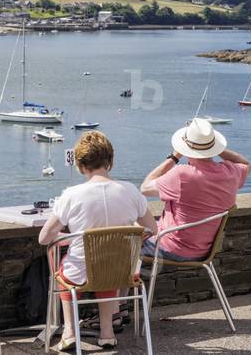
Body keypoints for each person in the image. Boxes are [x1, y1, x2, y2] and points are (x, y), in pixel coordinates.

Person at [38, 131, 156, 351]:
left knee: (64, 268)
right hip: (122, 271)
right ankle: (107, 333)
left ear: (81, 165)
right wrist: (127, 237)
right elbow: (152, 228)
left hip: (81, 272)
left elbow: (44, 238)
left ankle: (70, 331)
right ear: (110, 161)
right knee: (107, 268)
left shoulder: (71, 195)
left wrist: (71, 238)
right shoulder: (130, 191)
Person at [141, 118, 251, 263]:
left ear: (185, 148)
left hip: (170, 247)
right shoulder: (230, 172)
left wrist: (174, 157)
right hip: (204, 251)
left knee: (119, 243)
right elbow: (245, 163)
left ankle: (128, 285)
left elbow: (145, 188)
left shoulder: (182, 175)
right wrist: (215, 148)